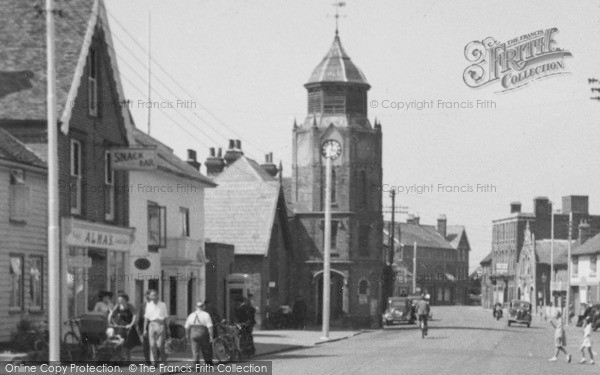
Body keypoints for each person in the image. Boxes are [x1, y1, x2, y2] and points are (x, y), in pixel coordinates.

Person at [108, 293, 140, 362]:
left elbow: (135, 315)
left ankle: (128, 359)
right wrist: (111, 323)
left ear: (125, 300)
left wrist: (131, 324)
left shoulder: (130, 306)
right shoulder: (118, 306)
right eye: (119, 299)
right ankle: (119, 358)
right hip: (120, 326)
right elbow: (111, 314)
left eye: (121, 299)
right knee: (120, 341)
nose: (120, 301)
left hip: (128, 326)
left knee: (128, 345)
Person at [143, 289, 169, 366]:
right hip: (151, 325)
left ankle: (164, 360)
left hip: (160, 324)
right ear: (150, 297)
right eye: (152, 295)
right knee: (152, 345)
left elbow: (166, 317)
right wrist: (144, 329)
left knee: (160, 345)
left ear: (158, 295)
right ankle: (155, 363)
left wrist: (168, 328)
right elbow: (146, 318)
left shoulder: (163, 304)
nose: (153, 297)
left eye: (155, 295)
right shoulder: (148, 305)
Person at [185, 301, 214, 366]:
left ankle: (196, 367)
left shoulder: (191, 315)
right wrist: (211, 336)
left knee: (195, 351)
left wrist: (187, 335)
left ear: (196, 307)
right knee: (206, 350)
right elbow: (210, 326)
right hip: (203, 332)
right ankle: (208, 365)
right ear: (203, 307)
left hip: (193, 332)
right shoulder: (206, 314)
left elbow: (186, 327)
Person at [137, 290, 151, 364]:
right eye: (146, 295)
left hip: (154, 326)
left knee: (154, 344)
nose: (147, 297)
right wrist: (140, 330)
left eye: (149, 295)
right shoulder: (142, 305)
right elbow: (140, 318)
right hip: (145, 327)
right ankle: (148, 360)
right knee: (146, 345)